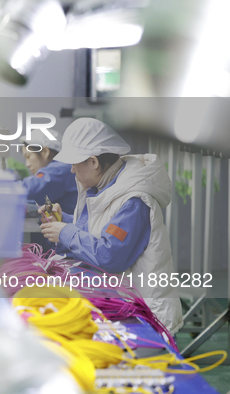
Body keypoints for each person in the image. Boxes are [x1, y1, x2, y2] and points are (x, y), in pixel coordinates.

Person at [38, 118, 183, 334]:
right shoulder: (104, 187)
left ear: (94, 162)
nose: (72, 170)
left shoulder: (133, 201)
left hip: (147, 319)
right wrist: (63, 221)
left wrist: (66, 233)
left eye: (75, 163)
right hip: (125, 305)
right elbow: (97, 231)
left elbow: (110, 255)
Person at [21, 129, 77, 214]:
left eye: (28, 156)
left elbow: (30, 189)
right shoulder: (64, 167)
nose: (27, 164)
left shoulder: (59, 170)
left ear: (45, 152)